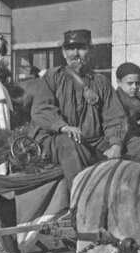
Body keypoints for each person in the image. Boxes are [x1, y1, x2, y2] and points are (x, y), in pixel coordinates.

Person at [29, 30, 127, 186]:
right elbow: (41, 109)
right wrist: (63, 126)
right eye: (69, 48)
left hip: (93, 141)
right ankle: (78, 203)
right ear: (63, 52)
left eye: (81, 48)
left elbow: (114, 115)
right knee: (69, 143)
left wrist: (115, 144)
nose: (75, 53)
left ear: (91, 50)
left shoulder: (101, 82)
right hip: (55, 140)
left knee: (134, 148)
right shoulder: (52, 77)